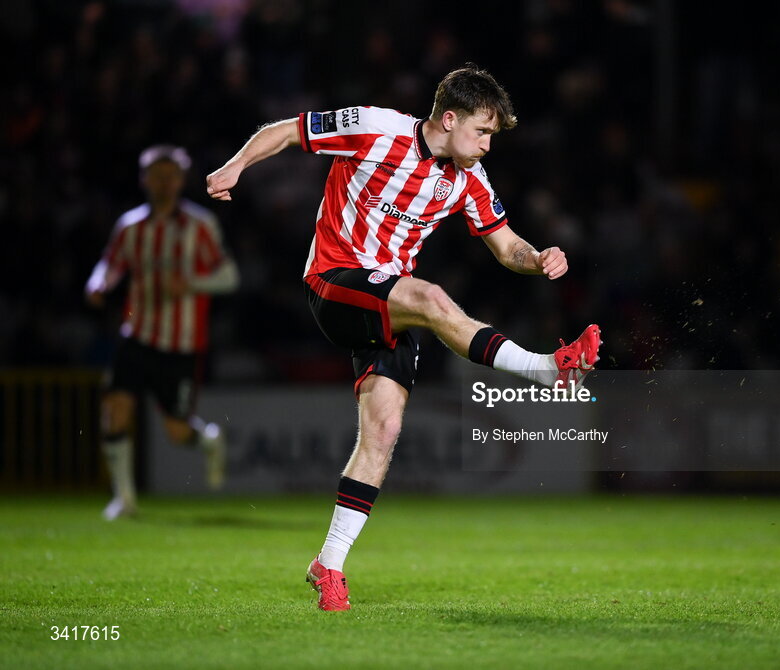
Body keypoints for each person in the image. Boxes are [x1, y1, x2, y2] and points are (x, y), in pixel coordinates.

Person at [206, 64, 601, 611]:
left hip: (388, 305)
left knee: (384, 432)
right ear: (449, 118)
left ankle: (329, 565)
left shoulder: (468, 180)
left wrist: (538, 259)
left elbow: (506, 246)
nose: (487, 146)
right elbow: (289, 130)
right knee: (431, 297)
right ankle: (545, 369)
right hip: (334, 281)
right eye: (482, 132)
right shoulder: (374, 126)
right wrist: (235, 166)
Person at [86, 144, 239, 520]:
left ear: (181, 180)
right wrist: (98, 284)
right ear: (144, 180)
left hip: (182, 344)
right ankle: (124, 498)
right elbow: (111, 263)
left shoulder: (200, 225)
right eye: (157, 175)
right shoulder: (131, 226)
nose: (164, 182)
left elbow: (229, 276)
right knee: (116, 408)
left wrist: (188, 282)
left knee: (175, 430)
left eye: (170, 175)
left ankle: (207, 440)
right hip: (136, 335)